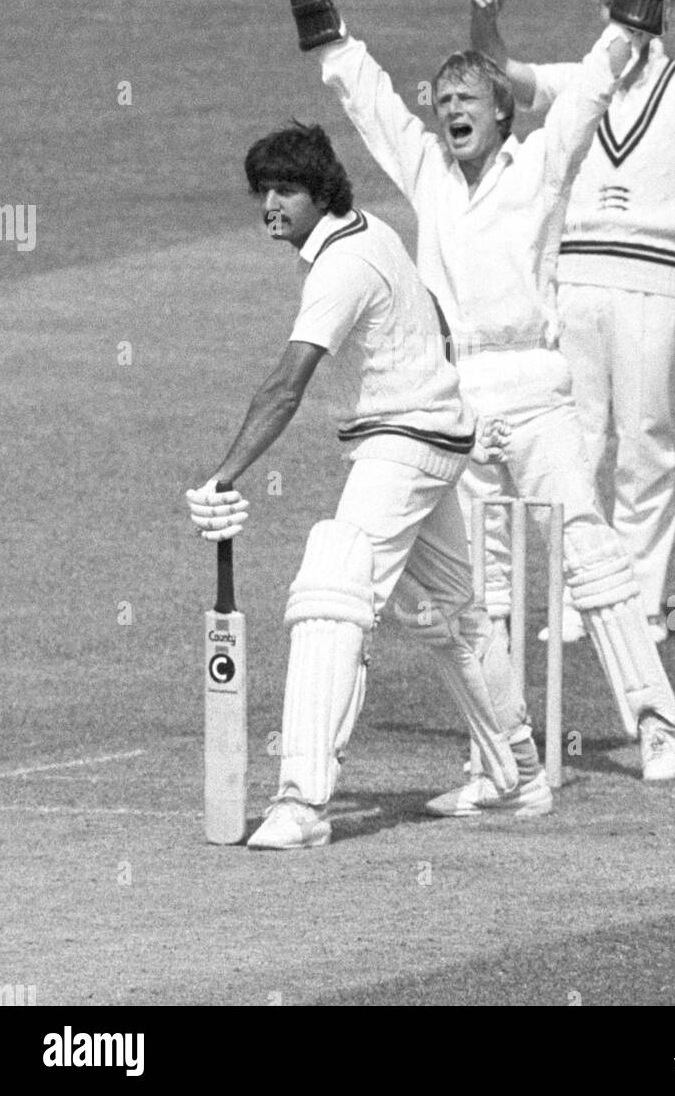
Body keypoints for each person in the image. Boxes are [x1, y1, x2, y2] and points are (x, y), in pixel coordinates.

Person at [281, 0, 675, 799]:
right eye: (443, 99)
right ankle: (499, 761)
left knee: (586, 550)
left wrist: (639, 0)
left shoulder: (540, 166)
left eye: (466, 97)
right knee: (475, 592)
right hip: (456, 402)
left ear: (501, 109)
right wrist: (323, 23)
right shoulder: (426, 173)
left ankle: (652, 724)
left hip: (537, 392)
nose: (449, 109)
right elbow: (372, 104)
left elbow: (589, 90)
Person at [186, 120, 554, 850]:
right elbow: (436, 319)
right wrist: (446, 399)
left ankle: (303, 800)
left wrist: (224, 475)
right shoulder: (373, 233)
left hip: (403, 447)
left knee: (330, 593)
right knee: (454, 616)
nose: (271, 204)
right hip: (433, 438)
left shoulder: (340, 265)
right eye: (263, 191)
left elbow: (287, 385)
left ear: (321, 191)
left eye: (286, 189)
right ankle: (518, 777)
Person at [469, 0, 675, 644]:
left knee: (645, 438)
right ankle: (576, 600)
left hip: (653, 277)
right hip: (576, 276)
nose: (628, 2)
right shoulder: (577, 78)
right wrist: (484, 23)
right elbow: (501, 75)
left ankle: (641, 605)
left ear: (664, 3)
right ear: (601, 2)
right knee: (576, 443)